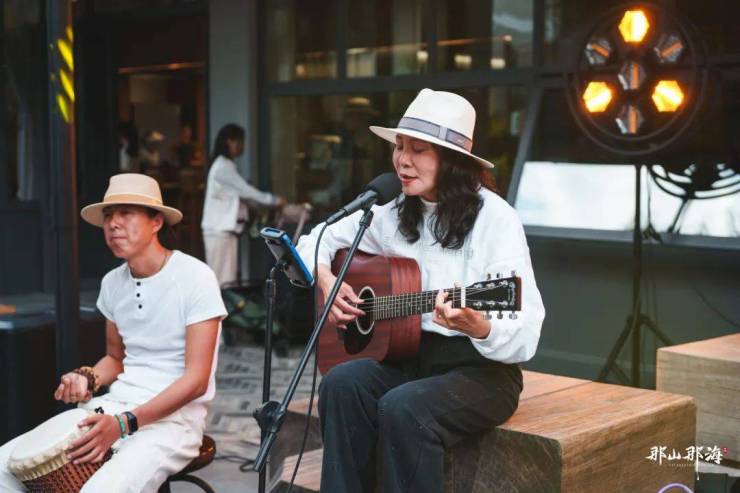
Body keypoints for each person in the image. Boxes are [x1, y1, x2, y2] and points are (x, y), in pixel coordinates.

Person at [296, 88, 545, 493]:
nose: (402, 160)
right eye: (399, 146)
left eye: (418, 150)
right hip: (409, 358)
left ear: (452, 160)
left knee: (404, 407)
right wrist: (326, 279)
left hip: (481, 372)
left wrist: (480, 327)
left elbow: (526, 332)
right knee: (341, 384)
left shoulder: (497, 219)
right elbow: (317, 238)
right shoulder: (391, 212)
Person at [0, 173, 227, 493]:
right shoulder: (112, 283)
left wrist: (124, 424)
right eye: (108, 215)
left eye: (126, 213)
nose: (113, 224)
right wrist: (86, 377)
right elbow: (116, 359)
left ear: (156, 222)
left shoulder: (196, 277)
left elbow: (196, 381)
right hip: (114, 406)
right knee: (4, 468)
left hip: (174, 423)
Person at [201, 123, 286, 285]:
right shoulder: (223, 167)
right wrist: (274, 200)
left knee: (225, 278)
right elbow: (246, 191)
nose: (242, 146)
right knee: (223, 281)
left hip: (222, 231)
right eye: (240, 142)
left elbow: (240, 194)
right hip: (219, 231)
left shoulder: (224, 165)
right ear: (230, 142)